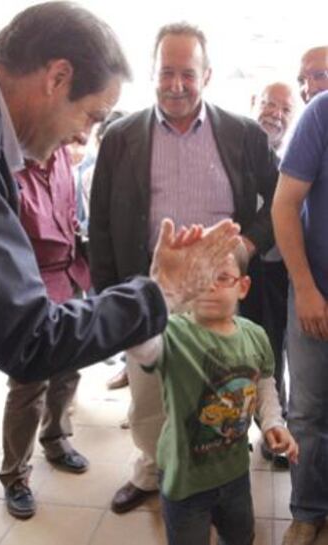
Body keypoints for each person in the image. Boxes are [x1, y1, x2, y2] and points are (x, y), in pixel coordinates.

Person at [0, 3, 241, 543]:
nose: (85, 139)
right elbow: (30, 337)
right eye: (90, 115)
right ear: (57, 77)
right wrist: (160, 293)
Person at [89, 22, 279, 514]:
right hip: (152, 289)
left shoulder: (242, 133)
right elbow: (103, 223)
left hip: (220, 292)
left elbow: (279, 201)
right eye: (166, 73)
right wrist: (109, 299)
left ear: (207, 75)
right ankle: (151, 470)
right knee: (149, 393)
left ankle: (219, 479)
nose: (177, 84)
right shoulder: (120, 136)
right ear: (151, 74)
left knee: (216, 394)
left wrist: (247, 248)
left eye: (187, 74)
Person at [127, 244, 298, 545]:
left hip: (234, 474)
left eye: (222, 277)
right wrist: (160, 291)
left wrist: (273, 421)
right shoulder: (173, 333)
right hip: (184, 482)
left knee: (240, 536)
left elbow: (263, 382)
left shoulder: (254, 335)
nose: (209, 286)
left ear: (243, 287)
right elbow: (139, 346)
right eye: (200, 276)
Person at [0, 146, 91, 520]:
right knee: (28, 383)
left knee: (70, 368)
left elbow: (69, 214)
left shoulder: (64, 156)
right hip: (30, 284)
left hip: (70, 276)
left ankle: (55, 436)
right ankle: (15, 475)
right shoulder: (7, 162)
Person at [272, 94, 328, 544]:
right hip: (316, 290)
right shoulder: (322, 113)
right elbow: (285, 204)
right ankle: (307, 510)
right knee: (307, 411)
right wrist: (306, 288)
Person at [250, 81, 297, 468]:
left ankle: (272, 428)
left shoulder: (294, 159)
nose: (275, 113)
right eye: (268, 103)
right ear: (253, 103)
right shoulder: (235, 152)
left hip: (278, 271)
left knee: (272, 347)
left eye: (284, 109)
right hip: (238, 269)